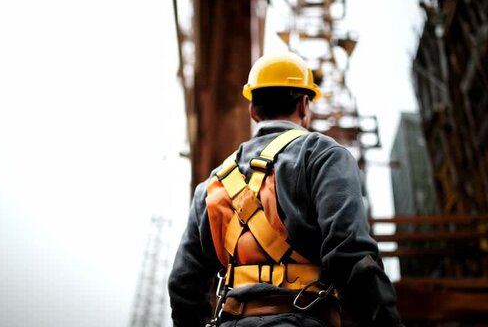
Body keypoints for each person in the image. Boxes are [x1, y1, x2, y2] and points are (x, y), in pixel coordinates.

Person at [168, 52, 402, 327]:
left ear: (253, 110)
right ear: (304, 105)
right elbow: (350, 256)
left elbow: (183, 285)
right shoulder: (323, 155)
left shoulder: (211, 186)